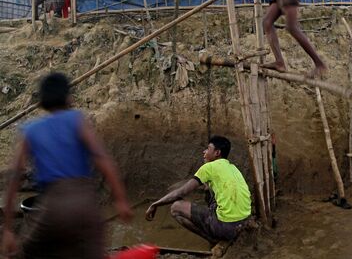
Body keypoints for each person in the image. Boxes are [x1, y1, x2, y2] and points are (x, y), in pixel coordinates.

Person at [1, 73, 132, 258]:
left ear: (42, 100)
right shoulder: (77, 120)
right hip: (86, 205)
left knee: (25, 253)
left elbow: (14, 178)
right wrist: (121, 200)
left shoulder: (30, 130)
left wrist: (7, 230)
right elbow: (103, 159)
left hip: (53, 206)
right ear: (68, 97)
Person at [145, 136, 251, 243]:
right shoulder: (233, 168)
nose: (204, 151)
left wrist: (155, 204)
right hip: (244, 224)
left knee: (176, 207)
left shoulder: (208, 168)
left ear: (217, 153)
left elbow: (181, 192)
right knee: (209, 193)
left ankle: (213, 240)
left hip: (226, 227)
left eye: (208, 149)